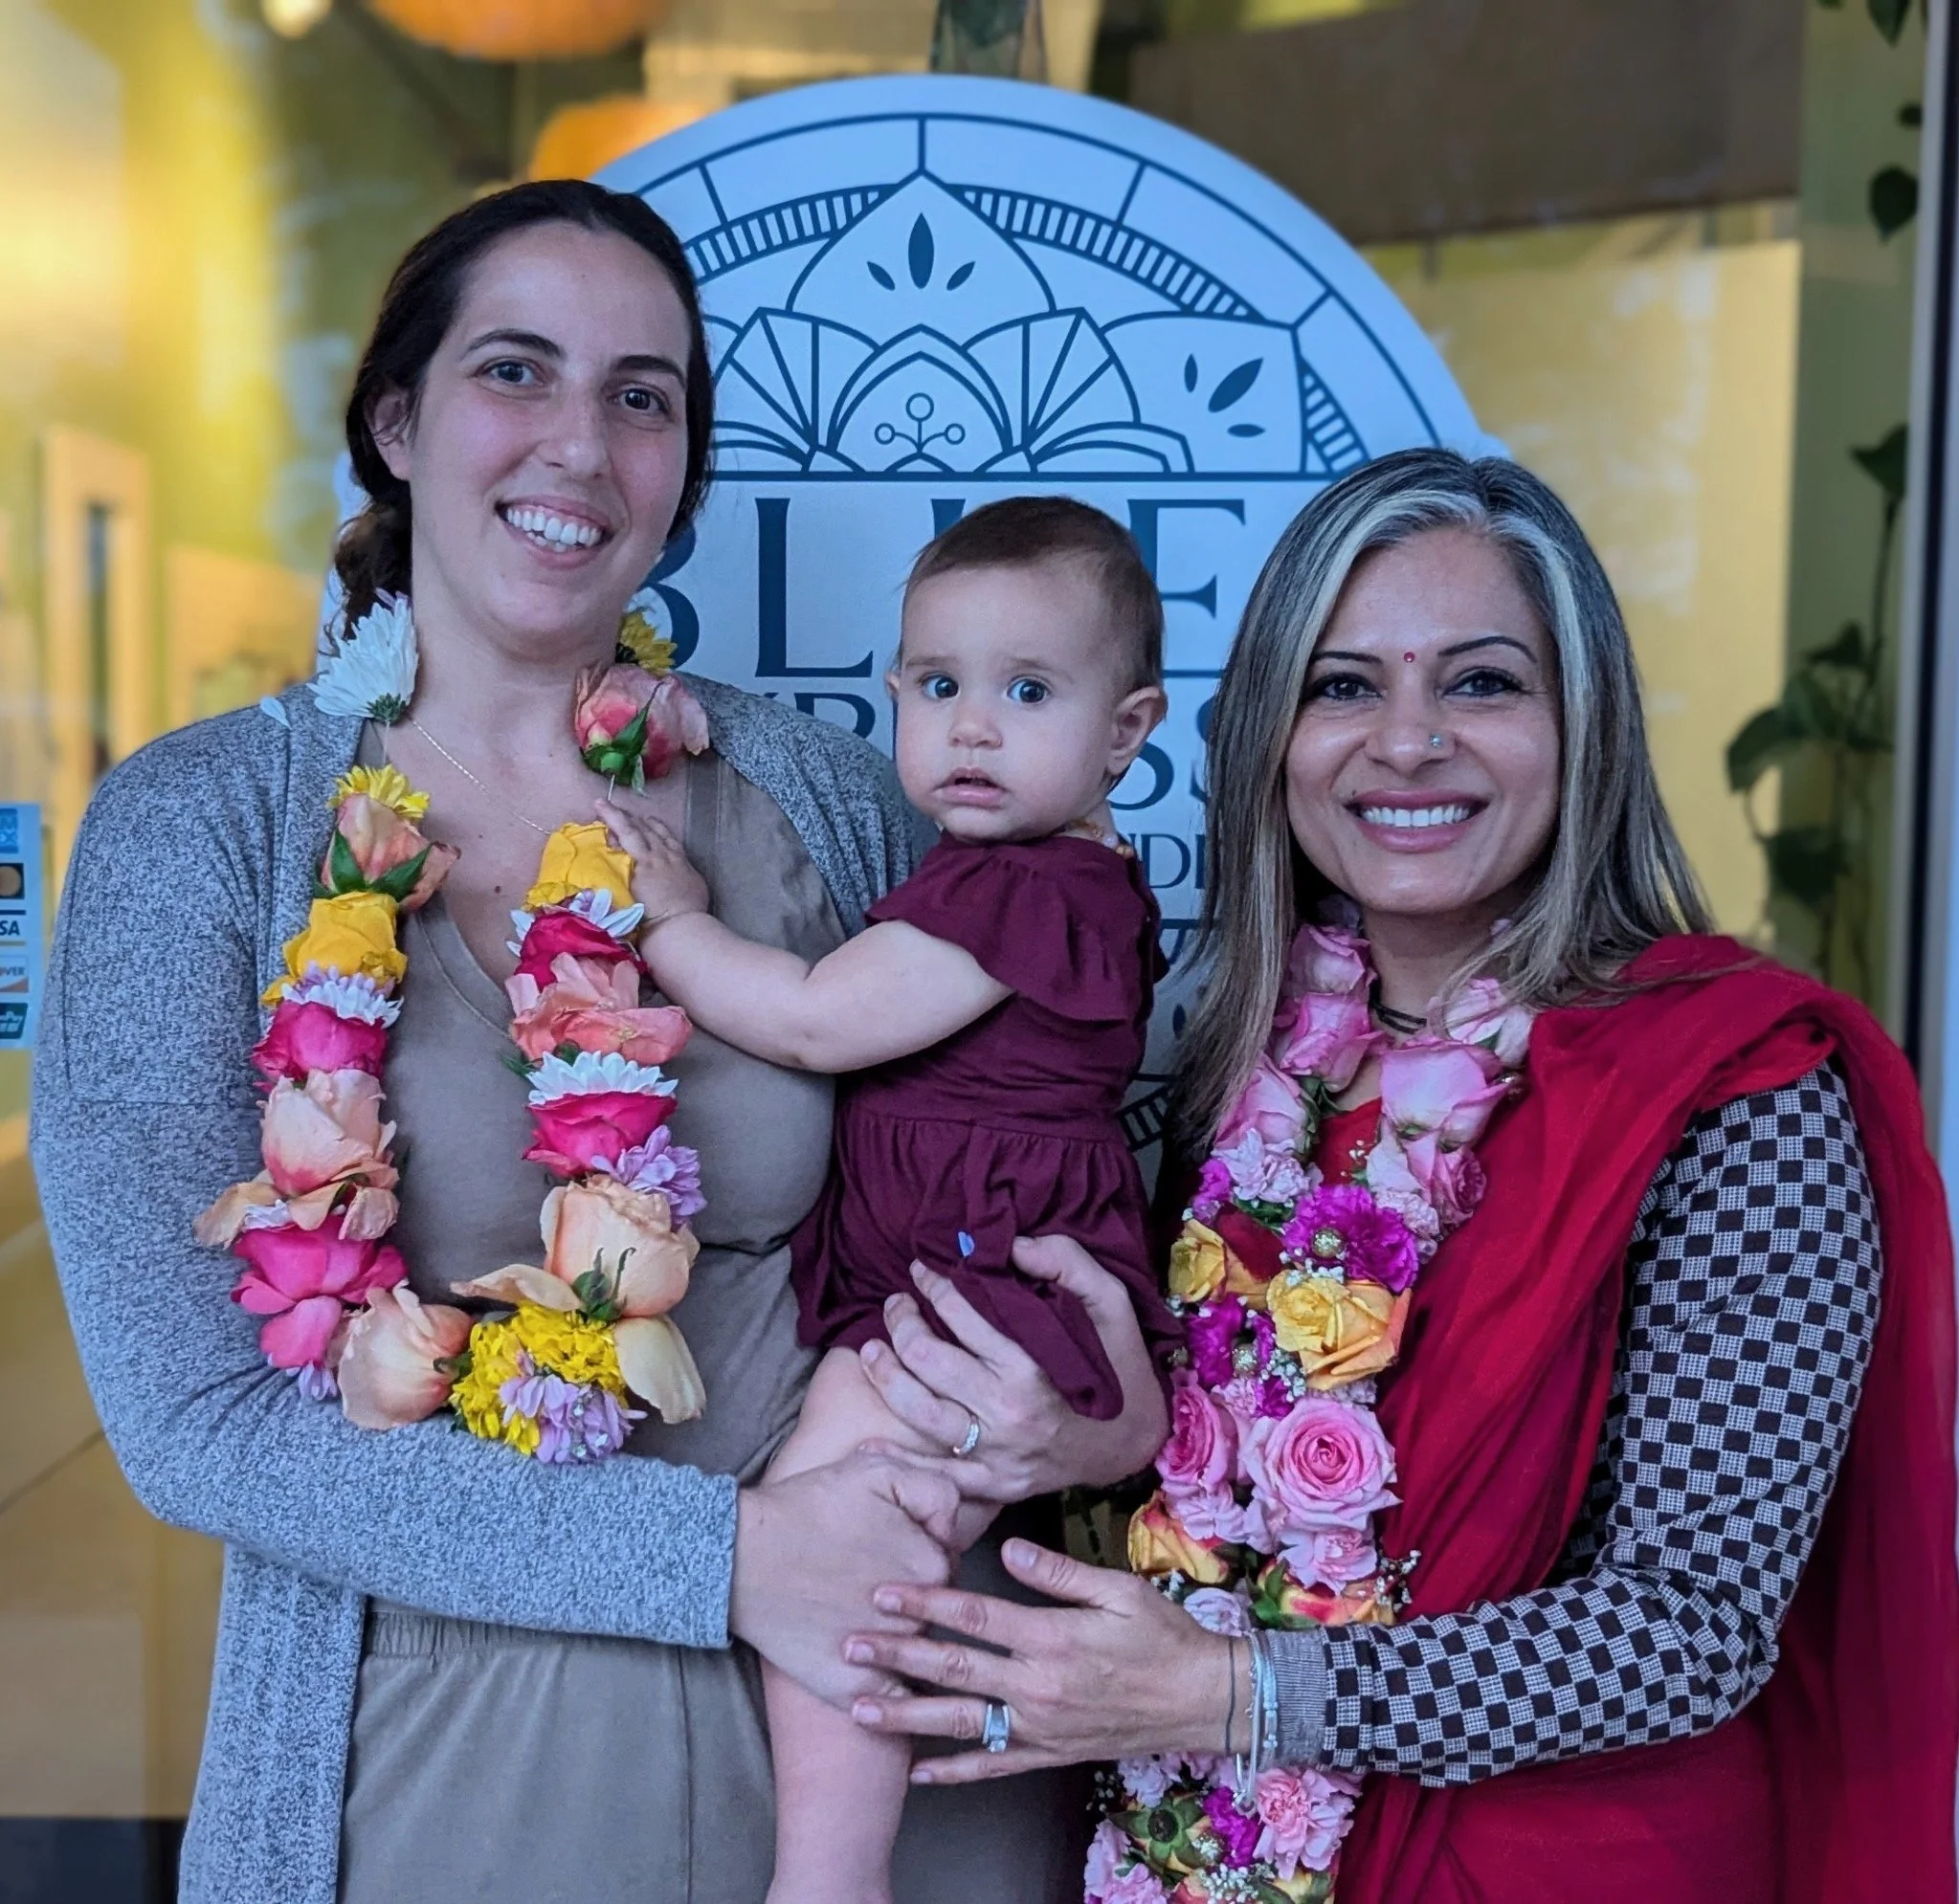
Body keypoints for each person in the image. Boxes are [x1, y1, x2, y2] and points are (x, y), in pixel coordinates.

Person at [30, 179, 1169, 1904]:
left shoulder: (828, 793)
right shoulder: (199, 830)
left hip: (892, 1719)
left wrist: (1101, 1421)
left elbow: (1038, 1155)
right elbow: (199, 1416)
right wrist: (728, 1557)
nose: (580, 443)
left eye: (643, 396)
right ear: (399, 421)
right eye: (516, 370)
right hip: (450, 1765)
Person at [840, 449, 1959, 1904]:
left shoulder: (1737, 1088)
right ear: (1271, 737)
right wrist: (1093, 1436)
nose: (1407, 740)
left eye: (1481, 683)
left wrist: (1235, 1696)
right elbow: (1203, 1480)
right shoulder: (1236, 1067)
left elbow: (1689, 1625)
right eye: (1344, 685)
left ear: (1582, 723)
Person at [611, 496, 1184, 1904]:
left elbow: (814, 1019)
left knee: (837, 1518)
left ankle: (829, 1876)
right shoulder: (1009, 874)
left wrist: (674, 921)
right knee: (850, 1519)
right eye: (938, 686)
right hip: (966, 1261)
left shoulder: (1027, 895)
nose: (972, 726)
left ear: (1126, 730)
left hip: (984, 1280)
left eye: (1027, 690)